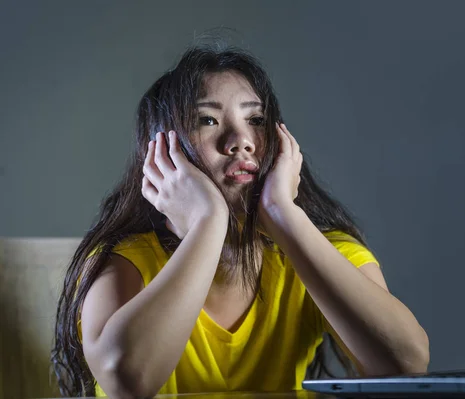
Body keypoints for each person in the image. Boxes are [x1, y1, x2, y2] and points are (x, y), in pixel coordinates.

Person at [51, 45, 430, 398]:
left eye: (256, 119)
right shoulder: (123, 262)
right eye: (207, 119)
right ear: (161, 154)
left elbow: (406, 364)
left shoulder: (319, 251)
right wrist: (209, 223)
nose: (241, 140)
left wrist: (284, 215)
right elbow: (127, 379)